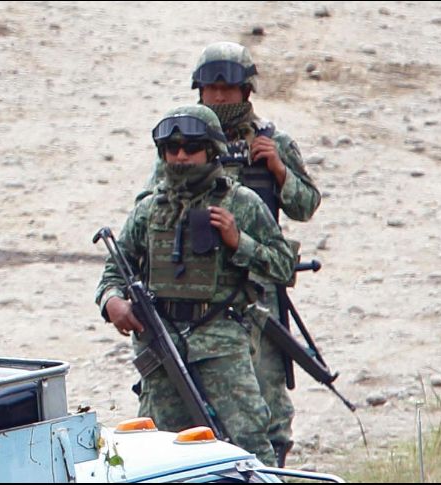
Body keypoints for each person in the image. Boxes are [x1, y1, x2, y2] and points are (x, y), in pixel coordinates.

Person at [139, 42, 322, 467]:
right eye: (211, 89)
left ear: (246, 91)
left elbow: (305, 205)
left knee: (262, 402)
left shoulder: (271, 142)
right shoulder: (185, 139)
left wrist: (278, 170)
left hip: (256, 287)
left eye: (228, 88)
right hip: (196, 286)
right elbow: (150, 209)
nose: (220, 97)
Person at [95, 104, 295, 467]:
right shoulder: (149, 210)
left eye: (191, 147)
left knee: (249, 448)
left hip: (222, 348)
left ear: (212, 150)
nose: (181, 156)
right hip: (162, 347)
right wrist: (112, 302)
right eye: (173, 149)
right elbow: (115, 269)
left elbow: (283, 266)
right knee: (156, 455)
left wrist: (239, 242)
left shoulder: (241, 203)